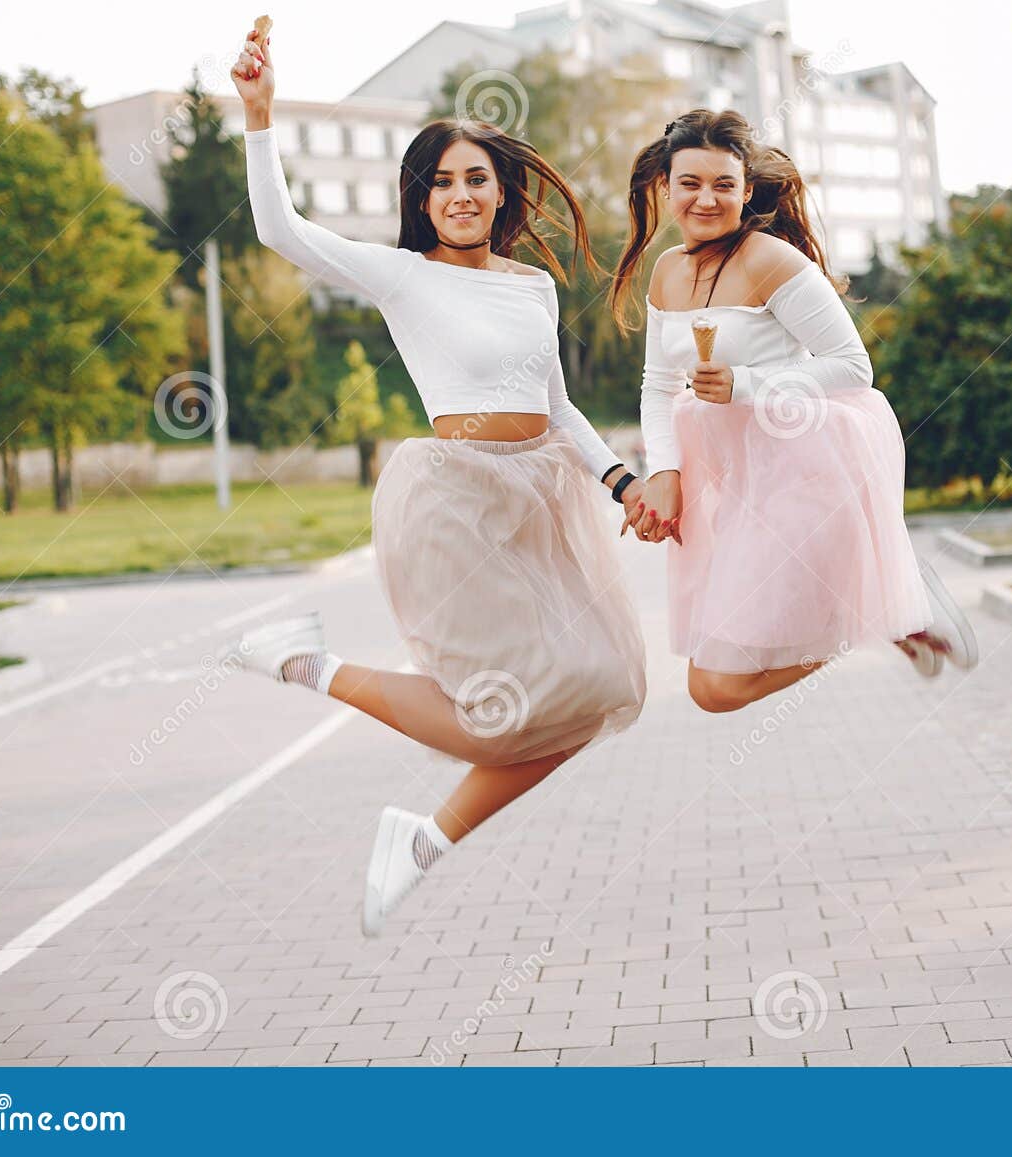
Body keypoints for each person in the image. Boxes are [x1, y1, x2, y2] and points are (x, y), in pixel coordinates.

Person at [228, 25, 647, 936]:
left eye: (476, 178)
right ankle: (310, 664)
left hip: (542, 497)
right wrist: (260, 117)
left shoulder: (532, 285)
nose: (460, 195)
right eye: (442, 181)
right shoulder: (400, 275)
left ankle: (424, 838)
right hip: (453, 499)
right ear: (422, 198)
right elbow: (278, 228)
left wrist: (622, 481)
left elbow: (559, 408)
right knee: (499, 712)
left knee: (597, 687)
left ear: (502, 191)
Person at [607, 108, 977, 713]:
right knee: (709, 688)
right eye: (690, 184)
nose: (707, 199)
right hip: (731, 492)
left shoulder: (770, 261)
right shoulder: (667, 272)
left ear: (746, 191)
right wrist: (665, 474)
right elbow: (657, 386)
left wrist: (747, 383)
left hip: (802, 478)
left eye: (724, 185)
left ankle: (886, 607)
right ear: (664, 187)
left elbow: (854, 367)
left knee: (718, 688)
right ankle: (887, 610)